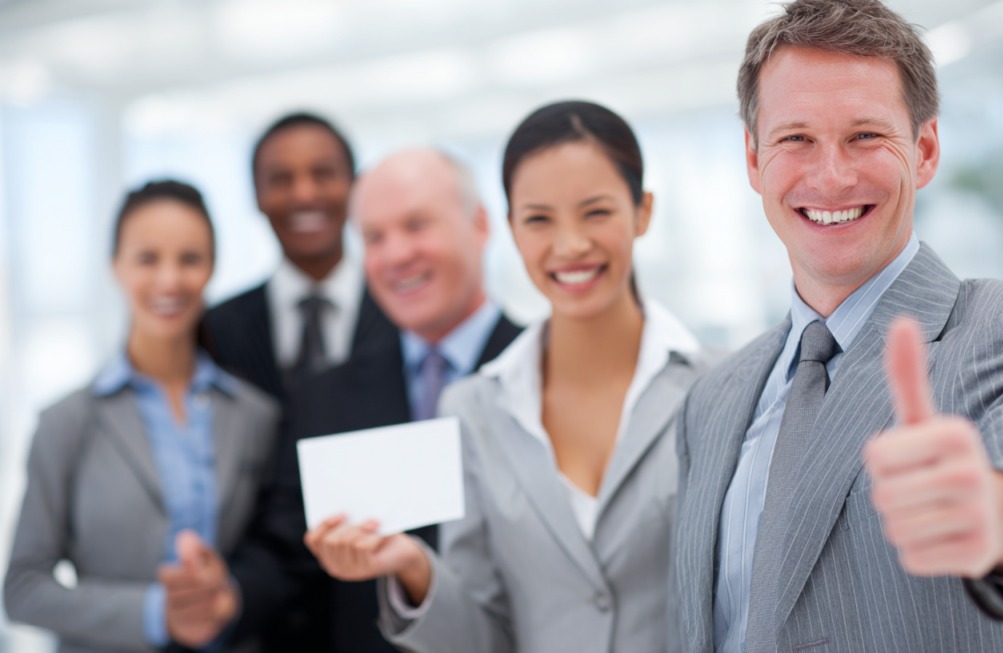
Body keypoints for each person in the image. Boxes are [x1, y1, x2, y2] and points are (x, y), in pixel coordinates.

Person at [667, 1, 1003, 652]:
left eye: (864, 136)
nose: (831, 176)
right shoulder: (712, 398)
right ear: (753, 159)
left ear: (923, 150)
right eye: (795, 138)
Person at [306, 100, 716, 652]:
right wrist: (412, 567)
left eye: (595, 212)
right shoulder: (476, 408)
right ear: (509, 230)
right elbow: (484, 637)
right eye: (539, 219)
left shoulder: (722, 387)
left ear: (642, 212)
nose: (569, 245)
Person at [159, 149, 522, 653]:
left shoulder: (546, 377)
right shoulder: (325, 399)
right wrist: (229, 597)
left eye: (417, 225)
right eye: (373, 237)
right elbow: (290, 553)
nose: (395, 255)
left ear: (480, 226)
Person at [3, 180, 279, 653]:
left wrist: (225, 594)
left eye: (190, 259)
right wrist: (155, 612)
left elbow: (273, 558)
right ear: (116, 267)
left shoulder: (255, 416)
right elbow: (23, 589)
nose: (169, 280)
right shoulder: (67, 422)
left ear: (211, 268)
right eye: (147, 258)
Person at [203, 112, 394, 401]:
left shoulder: (402, 313)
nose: (304, 194)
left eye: (323, 174)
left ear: (355, 187)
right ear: (256, 194)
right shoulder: (216, 330)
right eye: (281, 179)